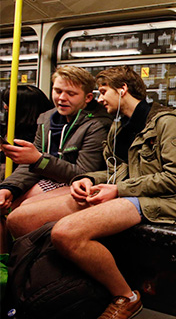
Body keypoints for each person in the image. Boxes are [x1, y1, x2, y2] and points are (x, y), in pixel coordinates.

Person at [6, 65, 176, 319]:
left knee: (65, 233)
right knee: (19, 218)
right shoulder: (119, 128)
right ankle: (57, 286)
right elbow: (113, 170)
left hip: (164, 200)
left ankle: (126, 297)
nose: (98, 99)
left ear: (123, 90)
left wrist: (118, 189)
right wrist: (84, 179)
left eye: (103, 92)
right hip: (126, 192)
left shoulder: (167, 123)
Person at [0, 67, 111, 253]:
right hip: (46, 176)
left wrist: (39, 160)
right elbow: (30, 164)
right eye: (58, 91)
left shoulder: (97, 125)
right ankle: (5, 266)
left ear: (88, 98)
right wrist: (8, 187)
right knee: (4, 204)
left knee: (20, 212)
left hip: (76, 184)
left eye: (71, 94)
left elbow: (83, 173)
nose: (62, 98)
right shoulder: (46, 119)